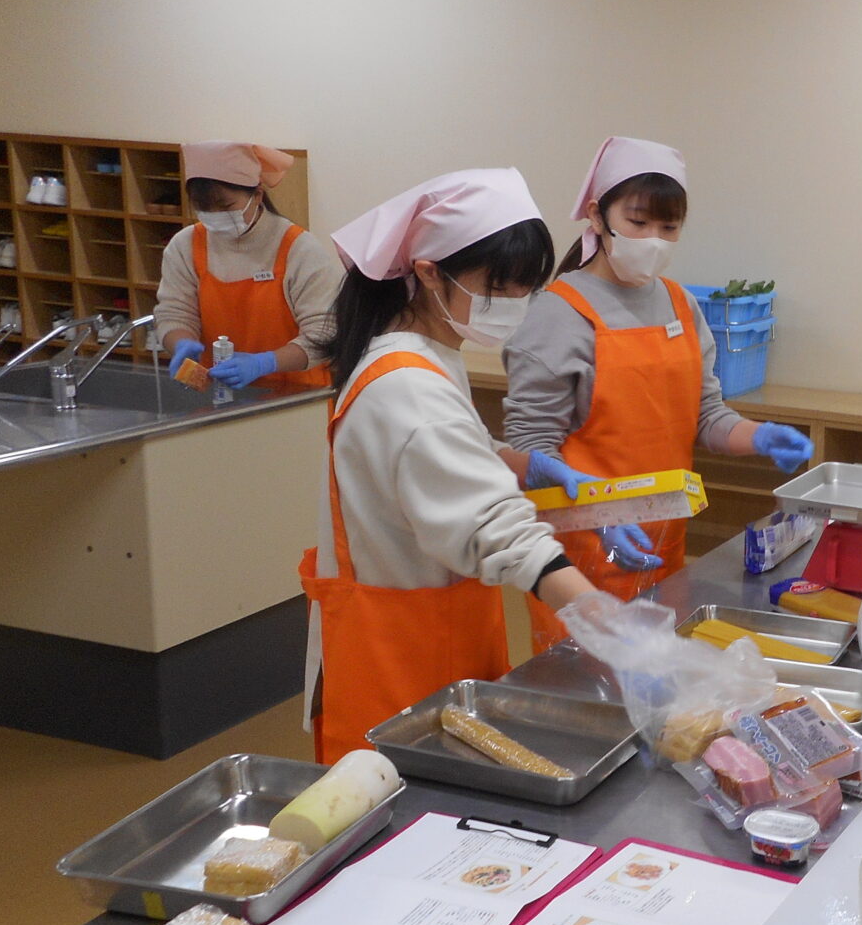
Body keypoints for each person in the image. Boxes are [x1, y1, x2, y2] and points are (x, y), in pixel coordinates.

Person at [301, 168, 596, 763]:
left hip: (433, 635)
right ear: (430, 272)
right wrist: (602, 617)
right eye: (499, 286)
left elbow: (448, 449)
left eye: (526, 288)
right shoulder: (405, 383)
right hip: (400, 659)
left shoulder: (424, 349)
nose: (514, 304)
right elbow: (497, 529)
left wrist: (519, 463)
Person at [503, 137, 812, 649]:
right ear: (597, 216)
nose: (653, 239)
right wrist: (598, 518)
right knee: (587, 686)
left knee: (658, 681)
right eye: (638, 222)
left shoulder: (679, 303)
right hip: (582, 556)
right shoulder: (559, 314)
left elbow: (705, 416)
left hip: (662, 543)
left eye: (668, 228)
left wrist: (757, 436)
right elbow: (530, 449)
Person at [156, 142, 342, 391]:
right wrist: (180, 342)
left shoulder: (299, 248)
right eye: (203, 208)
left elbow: (325, 333)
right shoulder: (185, 245)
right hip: (219, 390)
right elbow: (174, 313)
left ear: (257, 195)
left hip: (296, 394)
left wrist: (266, 363)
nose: (215, 216)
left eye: (225, 207)